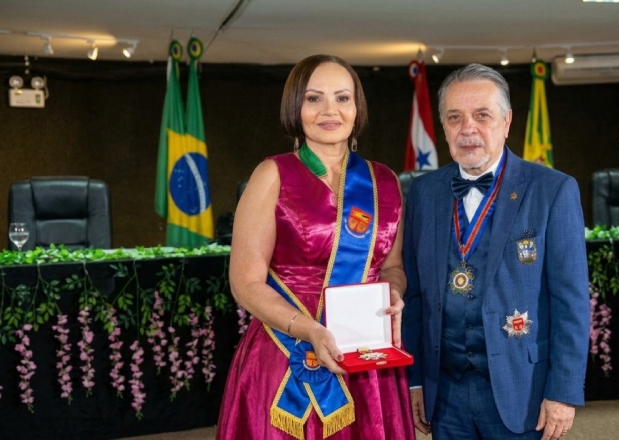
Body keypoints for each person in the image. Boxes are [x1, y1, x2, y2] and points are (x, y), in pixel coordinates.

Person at [216, 54, 414, 440]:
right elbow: (245, 283)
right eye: (313, 98)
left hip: (367, 357)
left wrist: (393, 293)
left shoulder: (385, 182)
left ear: (357, 108)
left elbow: (392, 267)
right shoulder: (272, 175)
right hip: (285, 352)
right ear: (296, 107)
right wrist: (309, 330)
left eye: (342, 98)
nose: (329, 110)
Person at [402, 63, 590, 440]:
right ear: (443, 126)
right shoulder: (422, 192)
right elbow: (414, 296)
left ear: (506, 122)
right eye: (455, 117)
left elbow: (571, 302)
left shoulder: (553, 190)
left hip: (522, 388)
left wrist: (563, 391)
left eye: (482, 115)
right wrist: (415, 380)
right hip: (445, 392)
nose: (467, 128)